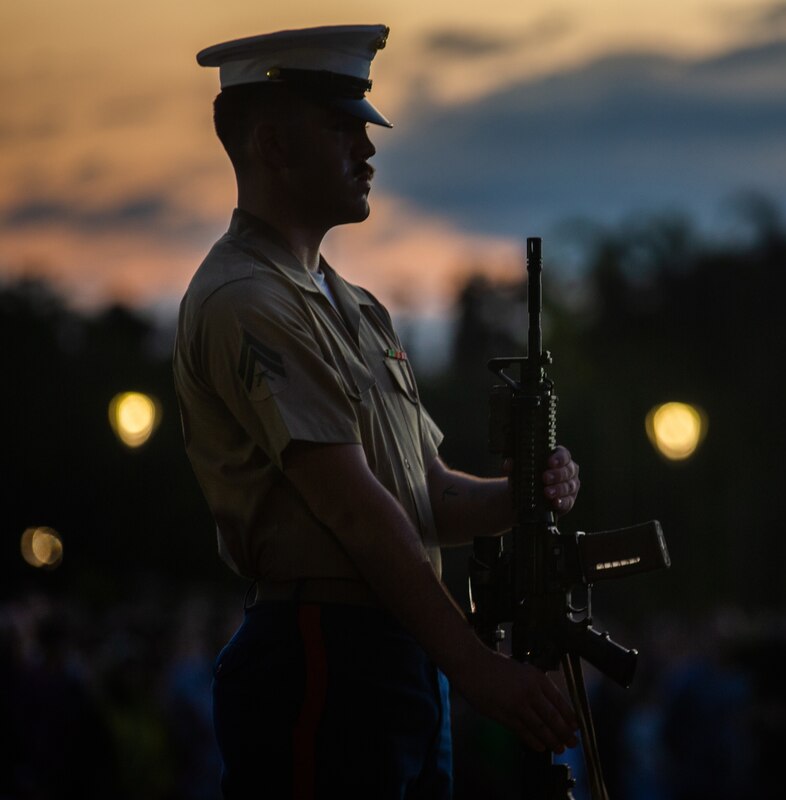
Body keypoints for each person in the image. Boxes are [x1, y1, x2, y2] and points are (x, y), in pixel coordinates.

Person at [173, 24, 581, 798]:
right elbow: (357, 511)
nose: (367, 150)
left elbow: (419, 496)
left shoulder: (355, 307)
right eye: (340, 127)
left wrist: (522, 494)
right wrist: (478, 670)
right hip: (323, 649)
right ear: (273, 147)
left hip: (395, 648)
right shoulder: (249, 301)